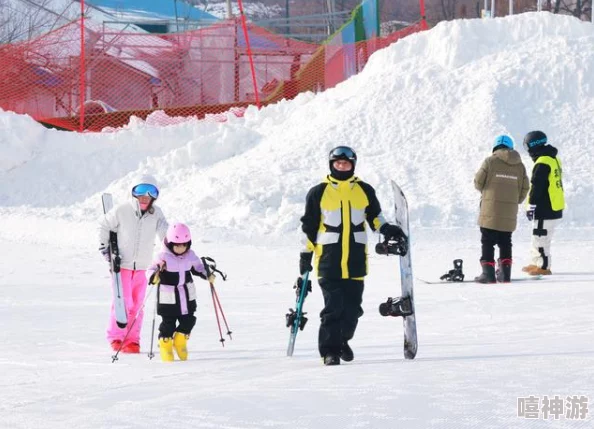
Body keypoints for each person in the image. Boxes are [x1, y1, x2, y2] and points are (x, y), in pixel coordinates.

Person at [298, 146, 407, 366]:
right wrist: (305, 254)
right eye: (337, 163)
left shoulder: (364, 190)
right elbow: (309, 226)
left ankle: (342, 340)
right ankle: (329, 352)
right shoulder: (318, 192)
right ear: (331, 164)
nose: (341, 166)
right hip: (328, 261)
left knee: (353, 310)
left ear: (353, 165)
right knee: (334, 306)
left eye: (346, 163)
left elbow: (375, 217)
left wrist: (387, 229)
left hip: (356, 262)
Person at [98, 174, 168, 353]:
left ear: (155, 196)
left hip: (143, 267)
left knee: (137, 304)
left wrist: (170, 251)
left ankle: (132, 340)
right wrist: (105, 248)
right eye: (140, 191)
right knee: (123, 302)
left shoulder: (156, 214)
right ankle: (116, 337)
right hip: (122, 265)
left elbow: (164, 234)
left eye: (150, 192)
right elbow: (104, 225)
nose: (145, 196)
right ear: (133, 193)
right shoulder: (122, 210)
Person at [146, 223, 211, 362]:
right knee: (168, 323)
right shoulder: (163, 255)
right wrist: (154, 276)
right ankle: (165, 344)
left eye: (184, 245)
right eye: (177, 245)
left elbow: (198, 267)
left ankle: (180, 341)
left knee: (189, 320)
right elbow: (151, 269)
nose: (181, 248)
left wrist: (207, 274)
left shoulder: (190, 255)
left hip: (186, 295)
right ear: (170, 243)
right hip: (169, 297)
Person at [473, 135, 529, 283]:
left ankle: (488, 274)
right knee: (505, 240)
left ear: (495, 147)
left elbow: (478, 183)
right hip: (509, 211)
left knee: (487, 241)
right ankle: (505, 274)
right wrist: (515, 201)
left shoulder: (490, 161)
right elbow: (525, 188)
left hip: (490, 210)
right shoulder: (520, 166)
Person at [521, 131, 564, 275]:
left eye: (527, 147)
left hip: (545, 207)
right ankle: (536, 262)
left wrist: (531, 206)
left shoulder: (543, 162)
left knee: (541, 237)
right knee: (537, 236)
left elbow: (537, 187)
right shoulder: (552, 158)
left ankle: (544, 267)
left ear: (533, 146)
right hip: (552, 205)